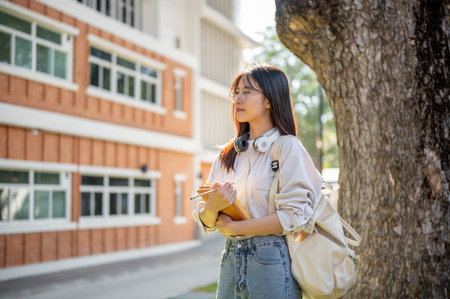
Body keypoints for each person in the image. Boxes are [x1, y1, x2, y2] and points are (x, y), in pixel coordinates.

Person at [192, 63, 323, 299]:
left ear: (269, 100)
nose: (238, 99)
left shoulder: (287, 147)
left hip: (270, 260)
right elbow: (206, 222)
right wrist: (211, 207)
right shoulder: (227, 154)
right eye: (236, 92)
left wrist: (238, 228)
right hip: (230, 259)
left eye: (247, 92)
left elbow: (294, 216)